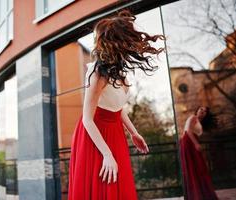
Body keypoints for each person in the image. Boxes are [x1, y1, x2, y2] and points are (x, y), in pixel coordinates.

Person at [68, 10, 165, 200]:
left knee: (118, 187)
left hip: (115, 133)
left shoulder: (118, 73)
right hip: (95, 135)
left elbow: (117, 109)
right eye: (124, 41)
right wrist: (106, 154)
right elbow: (87, 119)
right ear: (113, 42)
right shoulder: (96, 73)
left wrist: (133, 132)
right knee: (102, 187)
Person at [179, 106, 219, 200]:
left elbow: (194, 132)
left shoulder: (199, 122)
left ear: (206, 115)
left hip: (192, 142)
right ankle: (196, 196)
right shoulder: (193, 117)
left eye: (205, 111)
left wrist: (196, 143)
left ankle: (201, 194)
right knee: (194, 167)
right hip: (188, 142)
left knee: (198, 167)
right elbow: (187, 131)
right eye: (201, 109)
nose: (203, 112)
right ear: (197, 110)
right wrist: (196, 144)